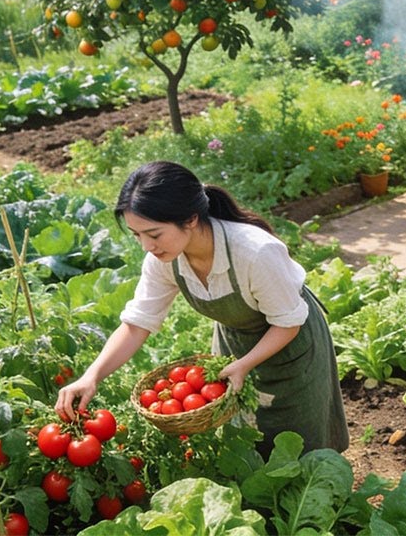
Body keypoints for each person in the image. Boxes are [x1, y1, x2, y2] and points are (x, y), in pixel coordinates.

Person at [55, 161, 348, 455]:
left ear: (191, 219)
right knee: (244, 440)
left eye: (154, 234)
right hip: (235, 345)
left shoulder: (255, 252)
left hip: (291, 346)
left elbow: (288, 323)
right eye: (136, 235)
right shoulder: (164, 260)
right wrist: (91, 376)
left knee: (302, 440)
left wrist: (244, 364)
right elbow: (137, 324)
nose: (146, 246)